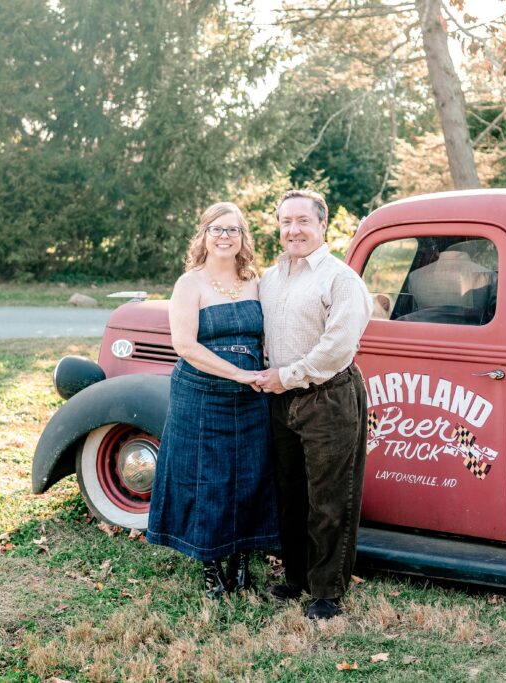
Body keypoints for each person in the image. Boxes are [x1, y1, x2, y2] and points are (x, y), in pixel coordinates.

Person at [147, 202, 280, 599]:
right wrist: (238, 372)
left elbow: (265, 334)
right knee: (207, 479)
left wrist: (267, 365)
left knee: (248, 477)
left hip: (250, 397)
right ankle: (210, 565)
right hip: (201, 395)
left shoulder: (255, 280)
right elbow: (185, 344)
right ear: (204, 236)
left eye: (233, 230)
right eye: (217, 229)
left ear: (243, 239)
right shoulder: (190, 284)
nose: (225, 237)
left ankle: (240, 559)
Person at [256, 189, 373, 620]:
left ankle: (327, 591)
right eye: (286, 221)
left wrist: (283, 376)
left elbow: (336, 348)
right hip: (280, 399)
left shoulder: (341, 280)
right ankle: (296, 577)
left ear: (323, 225)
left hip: (329, 397)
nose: (294, 230)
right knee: (290, 494)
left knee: (330, 497)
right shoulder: (270, 279)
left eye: (303, 221)